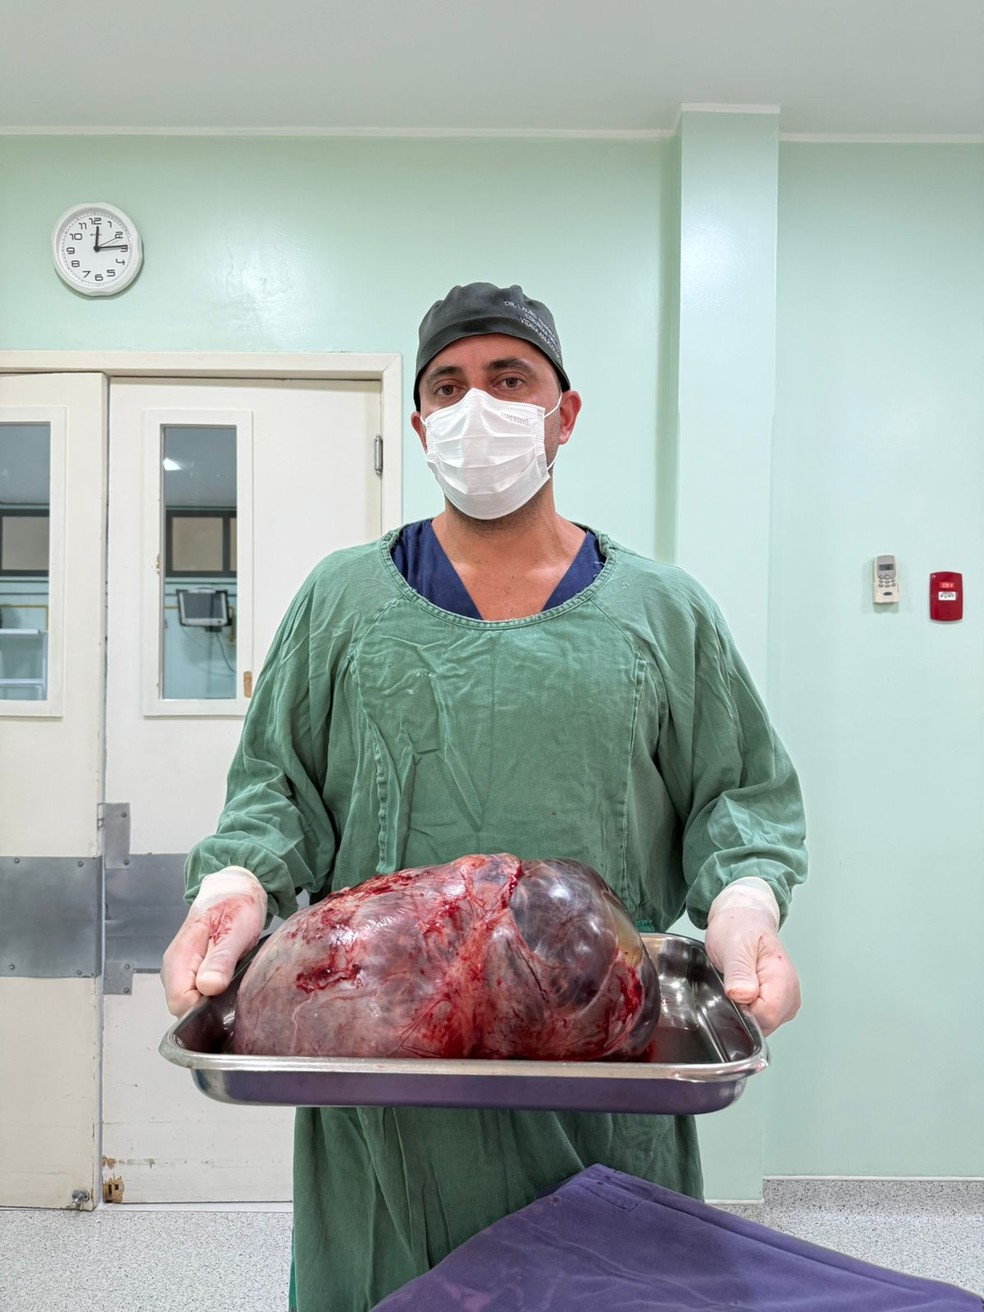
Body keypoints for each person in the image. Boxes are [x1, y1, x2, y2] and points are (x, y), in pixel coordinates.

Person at [162, 282, 807, 1312]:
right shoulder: (341, 599)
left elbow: (741, 796)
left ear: (565, 411)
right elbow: (275, 789)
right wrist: (234, 885)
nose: (478, 408)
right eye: (449, 387)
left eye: (510, 380)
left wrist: (744, 905)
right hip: (386, 1095)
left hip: (604, 1077)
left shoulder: (663, 610)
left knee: (601, 1285)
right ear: (421, 425)